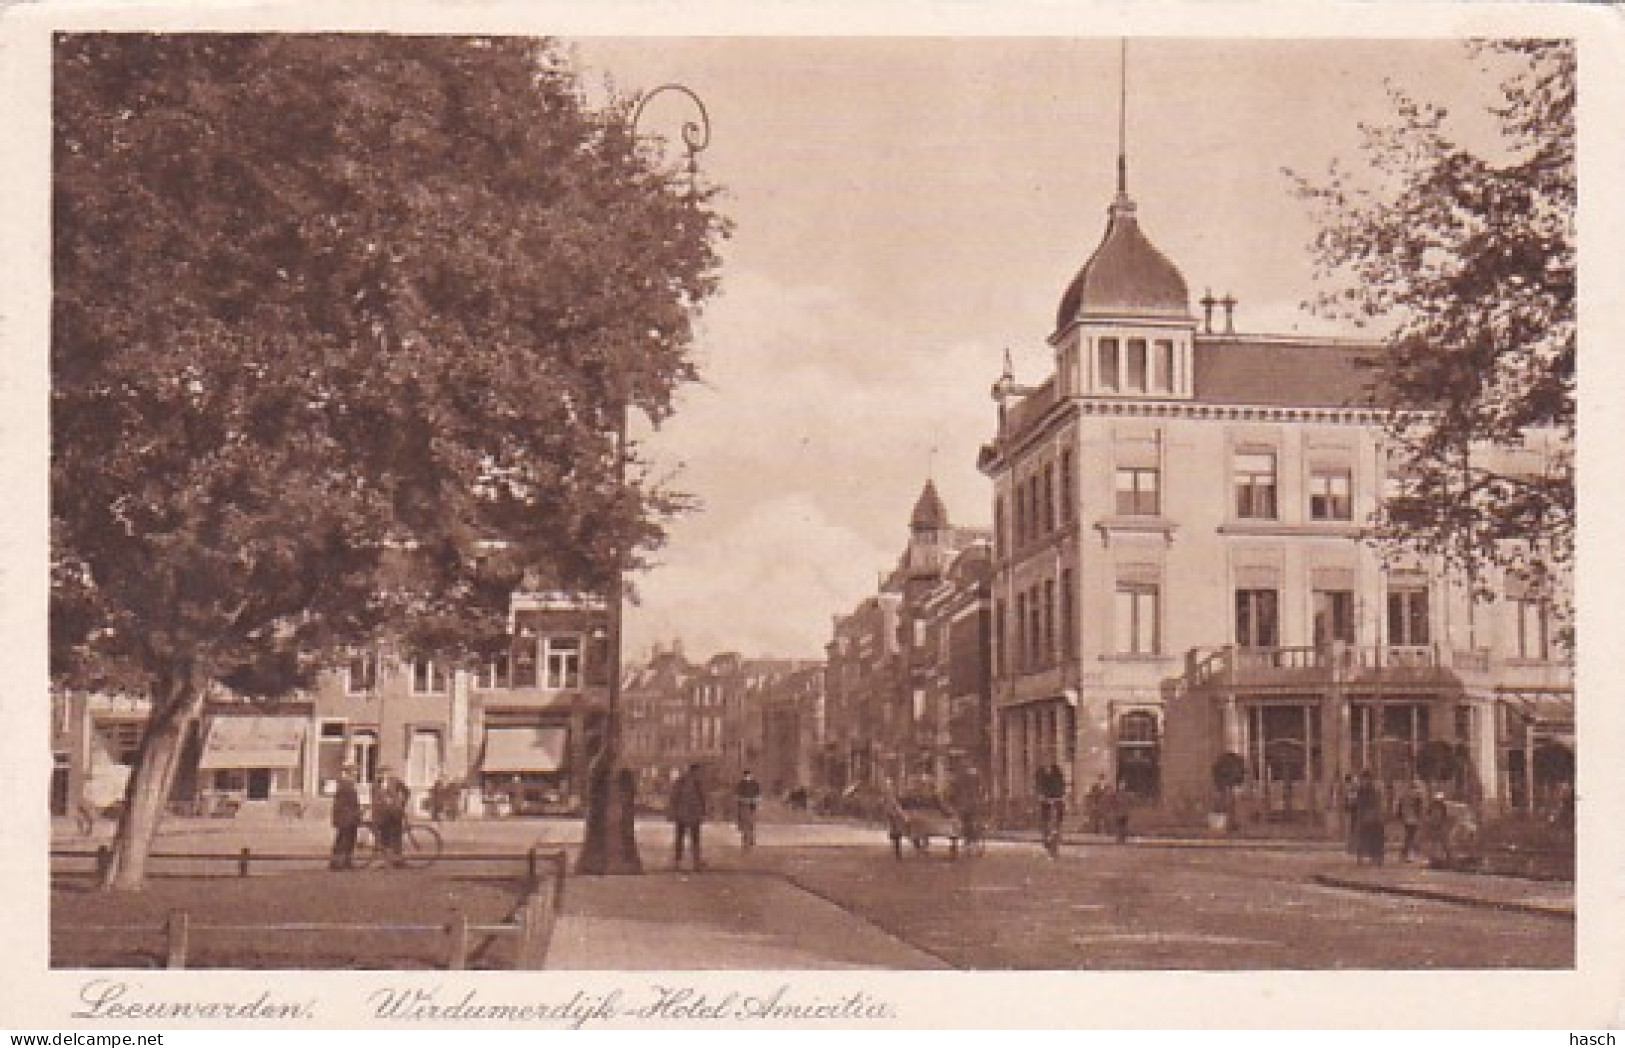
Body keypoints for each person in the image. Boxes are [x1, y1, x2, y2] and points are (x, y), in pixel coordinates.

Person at [668, 763, 708, 871]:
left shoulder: (682, 782)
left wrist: (673, 812)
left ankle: (680, 862)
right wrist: (702, 812)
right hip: (689, 814)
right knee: (693, 839)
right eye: (699, 772)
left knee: (681, 838)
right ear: (694, 771)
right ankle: (694, 862)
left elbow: (673, 798)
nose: (700, 774)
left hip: (684, 814)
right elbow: (701, 799)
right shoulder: (693, 783)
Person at [373, 765, 411, 868]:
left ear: (389, 773)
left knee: (397, 836)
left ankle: (398, 860)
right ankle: (386, 861)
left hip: (395, 812)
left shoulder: (395, 781)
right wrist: (375, 813)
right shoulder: (376, 784)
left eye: (385, 772)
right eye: (381, 773)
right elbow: (374, 799)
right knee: (385, 837)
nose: (383, 775)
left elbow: (407, 791)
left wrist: (402, 803)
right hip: (383, 814)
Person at [329, 763, 363, 870]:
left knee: (348, 840)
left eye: (355, 771)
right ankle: (338, 863)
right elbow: (344, 804)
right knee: (344, 840)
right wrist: (356, 813)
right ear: (349, 772)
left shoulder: (348, 784)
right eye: (354, 771)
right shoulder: (345, 784)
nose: (356, 774)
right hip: (346, 817)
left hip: (349, 816)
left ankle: (345, 861)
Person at [1352, 770, 1386, 866]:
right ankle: (1364, 858)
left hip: (1373, 817)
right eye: (1364, 779)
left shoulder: (1372, 789)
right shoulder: (1362, 790)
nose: (1364, 781)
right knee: (1364, 838)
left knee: (1375, 838)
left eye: (1366, 779)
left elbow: (1374, 803)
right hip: (1366, 817)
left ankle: (1376, 858)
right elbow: (1359, 804)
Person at [1036, 763, 1066, 856]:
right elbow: (1038, 786)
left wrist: (1062, 795)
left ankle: (1057, 831)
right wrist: (1041, 795)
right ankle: (1045, 836)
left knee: (1058, 815)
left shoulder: (1057, 771)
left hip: (1056, 798)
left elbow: (1061, 784)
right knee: (1045, 818)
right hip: (1046, 800)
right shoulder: (1040, 773)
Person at [1394, 779, 1426, 863]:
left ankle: (1406, 854)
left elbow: (1400, 807)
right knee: (1411, 836)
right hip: (1412, 818)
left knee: (1410, 836)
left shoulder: (1405, 794)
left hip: (1408, 818)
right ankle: (1407, 854)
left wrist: (1400, 815)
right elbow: (1419, 808)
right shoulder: (1417, 795)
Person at [880, 776, 909, 860]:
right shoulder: (888, 796)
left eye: (890, 785)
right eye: (888, 785)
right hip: (894, 816)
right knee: (896, 834)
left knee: (897, 834)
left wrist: (903, 815)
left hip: (895, 816)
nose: (889, 787)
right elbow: (895, 806)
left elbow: (896, 805)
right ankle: (897, 854)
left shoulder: (890, 795)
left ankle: (897, 853)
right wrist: (904, 815)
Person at [734, 769, 762, 849]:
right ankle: (745, 840)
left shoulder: (755, 784)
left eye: (749, 775)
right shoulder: (741, 784)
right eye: (746, 775)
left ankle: (752, 840)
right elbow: (737, 796)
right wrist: (744, 800)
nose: (748, 777)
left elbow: (759, 795)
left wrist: (756, 801)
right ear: (744, 776)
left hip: (752, 806)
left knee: (751, 823)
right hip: (744, 806)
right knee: (745, 823)